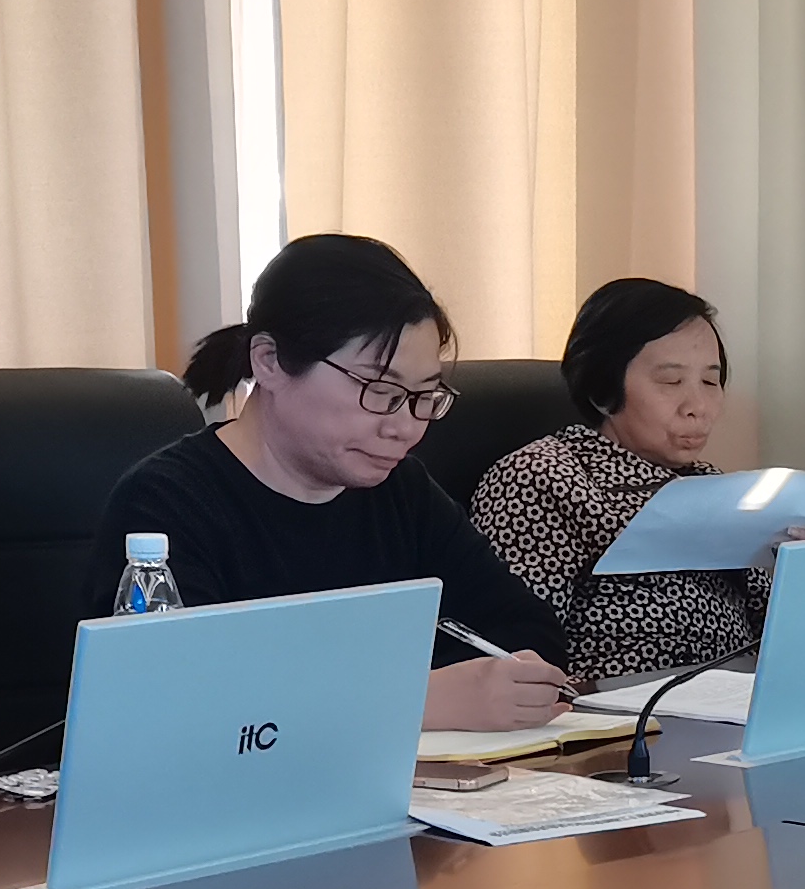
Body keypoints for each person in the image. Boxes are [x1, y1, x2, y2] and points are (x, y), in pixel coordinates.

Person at [106, 233, 573, 733]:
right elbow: (180, 702)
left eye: (424, 396)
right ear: (269, 361)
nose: (405, 427)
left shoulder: (401, 491)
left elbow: (529, 636)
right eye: (380, 390)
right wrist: (410, 700)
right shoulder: (165, 505)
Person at [468, 278, 805, 681]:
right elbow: (513, 652)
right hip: (616, 707)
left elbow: (775, 637)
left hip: (737, 697)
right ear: (603, 390)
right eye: (671, 382)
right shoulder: (542, 478)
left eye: (710, 382)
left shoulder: (711, 483)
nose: (699, 406)